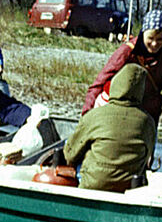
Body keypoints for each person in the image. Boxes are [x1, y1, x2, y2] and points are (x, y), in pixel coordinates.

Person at [82, 9, 162, 138]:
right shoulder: (127, 52)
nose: (154, 44)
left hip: (147, 116)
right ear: (143, 33)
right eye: (150, 38)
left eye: (160, 39)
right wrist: (86, 114)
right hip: (117, 113)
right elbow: (100, 82)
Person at [64, 64, 156, 192]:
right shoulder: (148, 122)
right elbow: (148, 159)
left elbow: (70, 155)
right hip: (129, 187)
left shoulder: (94, 115)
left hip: (92, 183)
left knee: (69, 144)